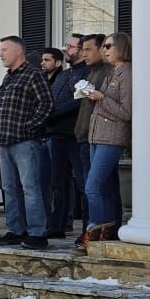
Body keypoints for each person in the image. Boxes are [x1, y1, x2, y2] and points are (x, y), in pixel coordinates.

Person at [0, 35, 54, 248]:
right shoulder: (8, 77)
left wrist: (29, 127)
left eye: (4, 49)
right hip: (4, 141)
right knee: (9, 188)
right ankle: (17, 230)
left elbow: (46, 104)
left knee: (30, 188)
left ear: (19, 52)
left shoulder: (33, 75)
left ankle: (37, 233)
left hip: (25, 143)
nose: (0, 54)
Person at [78, 33, 132, 249]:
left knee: (92, 186)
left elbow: (127, 112)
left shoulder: (127, 73)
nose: (105, 49)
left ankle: (95, 227)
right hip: (96, 135)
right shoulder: (112, 72)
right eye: (104, 46)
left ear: (121, 47)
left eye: (109, 46)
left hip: (112, 137)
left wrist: (101, 98)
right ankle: (107, 230)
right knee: (105, 186)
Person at [40, 47, 80, 241]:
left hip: (74, 134)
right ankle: (57, 225)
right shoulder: (64, 75)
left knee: (81, 182)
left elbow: (78, 101)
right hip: (55, 134)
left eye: (72, 47)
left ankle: (82, 226)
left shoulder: (86, 73)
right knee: (57, 183)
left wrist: (51, 114)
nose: (67, 49)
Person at [71, 33, 108, 234]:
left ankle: (98, 230)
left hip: (99, 137)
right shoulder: (90, 72)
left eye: (88, 49)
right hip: (85, 136)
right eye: (82, 49)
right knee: (89, 187)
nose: (83, 54)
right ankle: (90, 230)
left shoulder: (108, 72)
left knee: (95, 188)